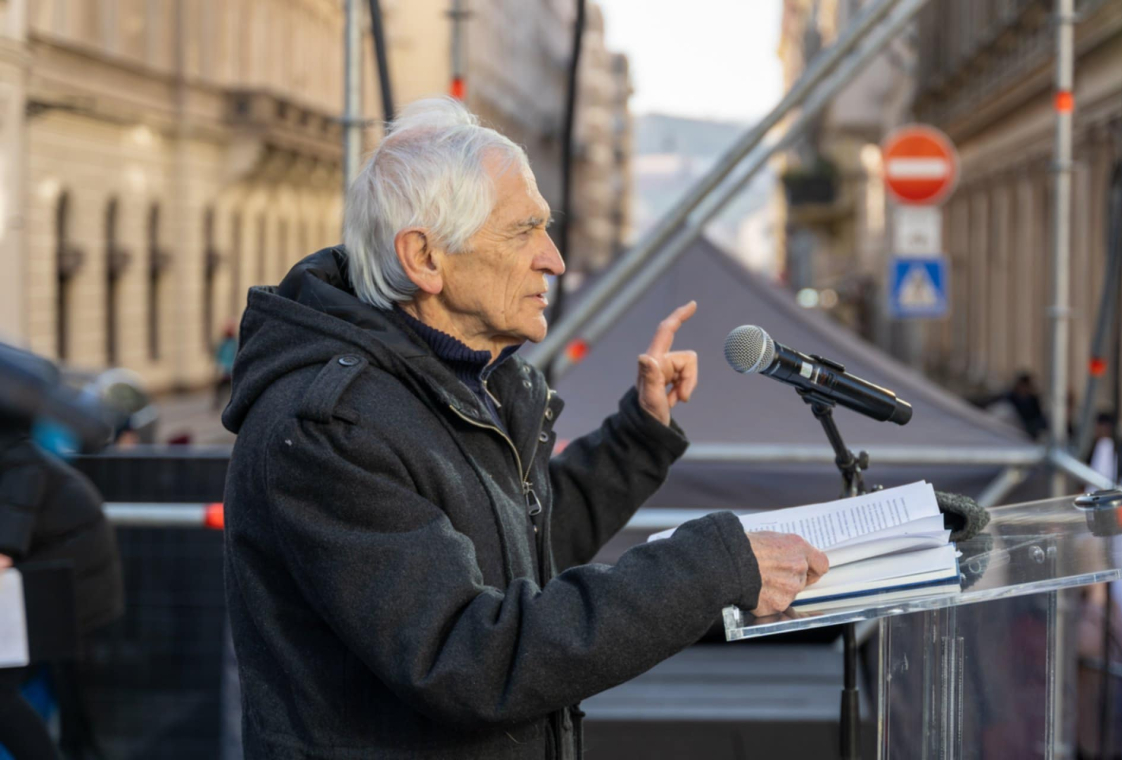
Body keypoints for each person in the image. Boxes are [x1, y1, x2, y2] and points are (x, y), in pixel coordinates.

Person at [221, 98, 828, 759]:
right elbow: (469, 658)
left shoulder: (464, 383)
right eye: (524, 232)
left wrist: (640, 434)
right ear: (425, 258)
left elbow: (522, 547)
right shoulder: (330, 427)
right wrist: (716, 565)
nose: (554, 260)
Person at [0, 413, 124, 760]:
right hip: (50, 581)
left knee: (5, 690)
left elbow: (4, 550)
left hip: (70, 584)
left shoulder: (18, 462)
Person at [213, 322, 238, 410]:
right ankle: (218, 402)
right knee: (221, 387)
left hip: (231, 369)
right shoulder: (224, 343)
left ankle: (232, 403)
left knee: (231, 388)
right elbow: (219, 355)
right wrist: (219, 365)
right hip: (225, 369)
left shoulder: (234, 343)